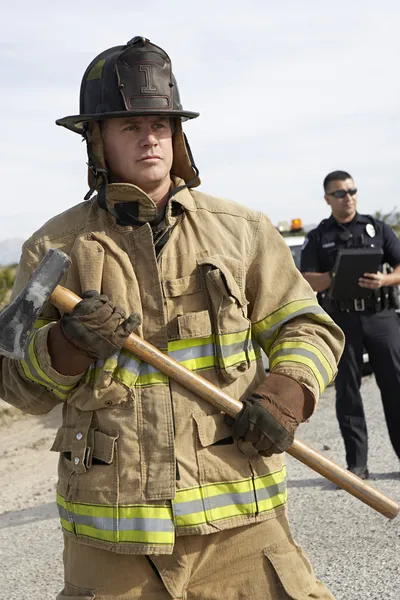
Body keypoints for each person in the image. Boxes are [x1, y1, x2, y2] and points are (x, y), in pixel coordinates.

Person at [0, 37, 344, 600]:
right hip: (111, 543)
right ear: (97, 139)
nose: (150, 136)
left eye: (162, 122)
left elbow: (307, 326)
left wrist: (285, 394)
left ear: (178, 134)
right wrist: (66, 347)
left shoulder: (243, 231)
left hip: (241, 521)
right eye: (130, 126)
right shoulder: (55, 249)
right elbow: (15, 383)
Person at [301, 170, 400, 480]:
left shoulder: (377, 228)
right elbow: (305, 278)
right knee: (348, 392)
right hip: (342, 320)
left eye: (353, 190)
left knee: (396, 387)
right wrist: (334, 277)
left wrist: (385, 279)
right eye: (341, 193)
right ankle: (357, 466)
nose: (349, 197)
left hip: (381, 317)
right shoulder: (319, 236)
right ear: (328, 198)